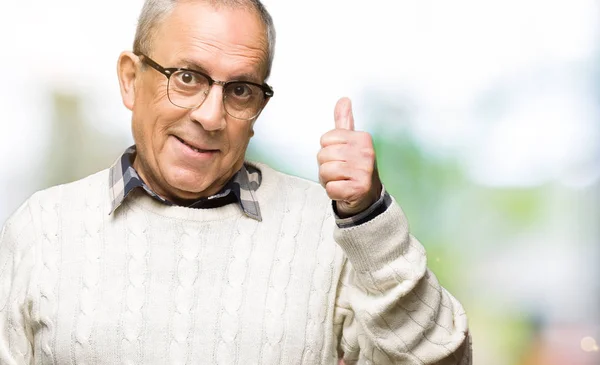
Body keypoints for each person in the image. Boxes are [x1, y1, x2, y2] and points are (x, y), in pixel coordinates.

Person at [0, 0, 471, 364]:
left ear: (259, 106)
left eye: (240, 90)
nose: (210, 116)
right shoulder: (42, 229)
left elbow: (443, 359)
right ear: (129, 79)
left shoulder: (326, 231)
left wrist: (369, 217)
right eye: (187, 77)